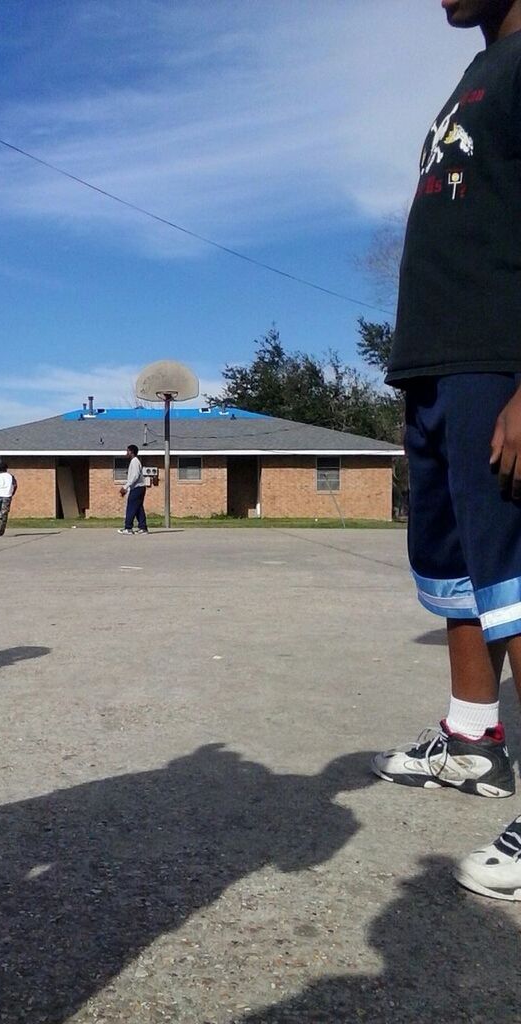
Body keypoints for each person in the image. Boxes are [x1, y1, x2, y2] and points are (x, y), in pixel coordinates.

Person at [372, 0, 521, 901]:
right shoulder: (479, 74)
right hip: (439, 368)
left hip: (498, 364)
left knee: (517, 579)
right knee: (460, 572)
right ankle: (473, 741)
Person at [118, 444, 148, 535]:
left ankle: (128, 528)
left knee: (131, 507)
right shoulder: (135, 461)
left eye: (127, 451)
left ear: (131, 452)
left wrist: (125, 487)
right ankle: (143, 528)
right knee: (138, 508)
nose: (126, 453)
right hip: (139, 487)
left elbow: (134, 476)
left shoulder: (134, 462)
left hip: (137, 488)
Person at [0, 461, 17, 537]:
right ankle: (1, 530)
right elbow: (15, 485)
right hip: (7, 495)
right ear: (6, 469)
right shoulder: (11, 476)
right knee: (4, 513)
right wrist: (12, 493)